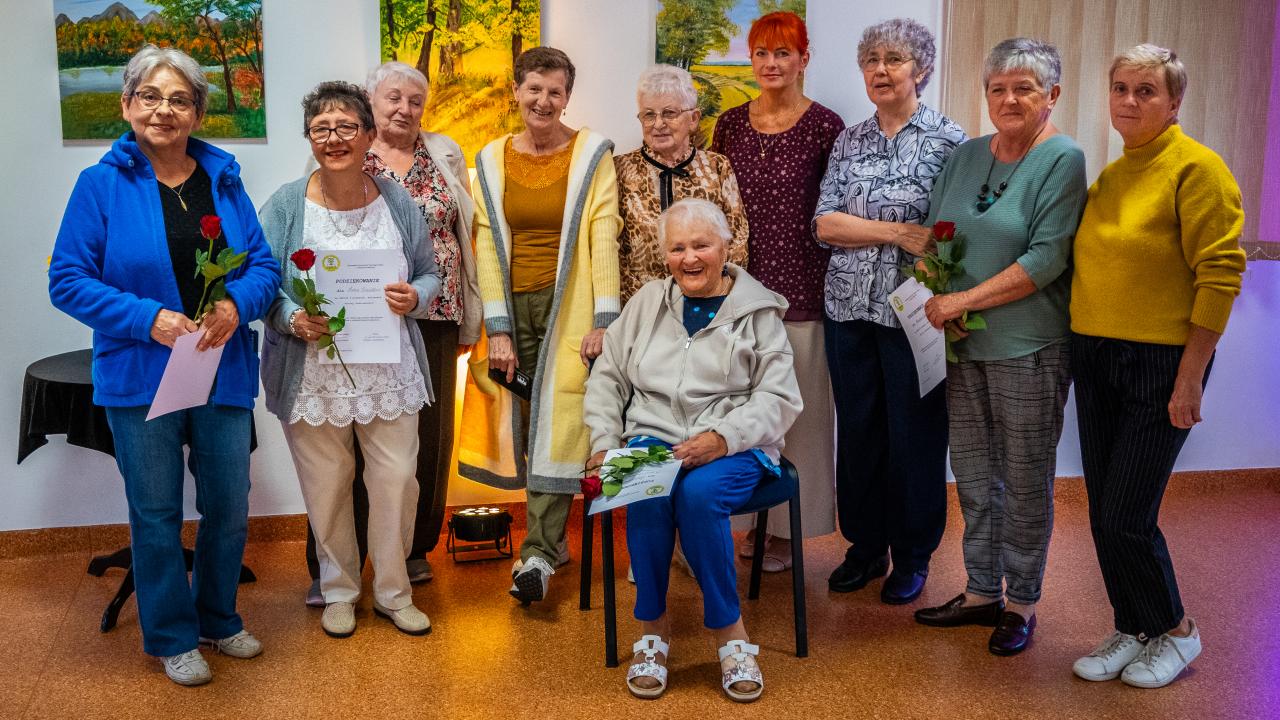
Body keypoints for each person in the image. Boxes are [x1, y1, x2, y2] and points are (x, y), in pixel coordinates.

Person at [48, 44, 279, 686]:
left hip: (220, 369)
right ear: (127, 105)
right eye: (149, 96)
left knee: (229, 505)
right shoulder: (100, 184)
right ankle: (172, 637)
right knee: (155, 512)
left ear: (197, 111)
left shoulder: (224, 178)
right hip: (140, 376)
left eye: (179, 98)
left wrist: (236, 303)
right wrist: (146, 318)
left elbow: (263, 265)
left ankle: (218, 618)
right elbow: (67, 280)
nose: (163, 110)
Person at [1068, 44, 1246, 688]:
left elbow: (1221, 273)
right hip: (1096, 358)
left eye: (1146, 91)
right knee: (1102, 511)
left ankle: (1175, 629)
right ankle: (1133, 624)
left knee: (1126, 514)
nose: (1130, 101)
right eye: (1120, 88)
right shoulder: (1114, 176)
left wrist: (1192, 374)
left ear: (1174, 103)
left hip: (1162, 363)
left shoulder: (1198, 169)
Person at [584, 198, 803, 702]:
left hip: (735, 442)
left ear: (726, 247)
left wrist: (723, 438)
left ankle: (732, 636)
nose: (689, 258)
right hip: (653, 434)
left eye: (701, 245)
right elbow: (609, 377)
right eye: (677, 247)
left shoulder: (759, 311)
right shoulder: (647, 302)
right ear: (665, 255)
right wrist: (603, 442)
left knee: (700, 497)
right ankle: (652, 633)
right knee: (644, 492)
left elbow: (779, 396)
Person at [913, 38, 1087, 656]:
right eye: (998, 88)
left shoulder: (1062, 158)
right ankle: (983, 590)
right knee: (975, 474)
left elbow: (1044, 259)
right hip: (964, 346)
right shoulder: (964, 157)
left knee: (1023, 475)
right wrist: (934, 291)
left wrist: (960, 302)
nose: (1009, 99)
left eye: (1025, 88)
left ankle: (1022, 603)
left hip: (1029, 345)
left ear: (1052, 96)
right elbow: (936, 235)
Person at [259, 81, 440, 639]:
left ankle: (393, 591)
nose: (334, 138)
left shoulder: (398, 201)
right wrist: (291, 316)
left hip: (389, 371)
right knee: (327, 485)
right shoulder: (287, 204)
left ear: (368, 135)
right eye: (321, 128)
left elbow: (431, 271)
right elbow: (262, 282)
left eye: (345, 127)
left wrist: (417, 296)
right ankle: (338, 590)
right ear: (309, 137)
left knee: (397, 481)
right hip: (313, 373)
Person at [297, 61, 482, 604]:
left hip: (432, 312)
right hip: (352, 321)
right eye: (393, 98)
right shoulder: (343, 153)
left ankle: (410, 553)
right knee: (341, 439)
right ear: (371, 108)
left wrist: (453, 305)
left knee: (421, 444)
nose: (405, 109)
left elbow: (462, 232)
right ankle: (336, 564)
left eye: (416, 101)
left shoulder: (444, 152)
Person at [459, 47, 622, 604]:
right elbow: (484, 243)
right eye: (534, 89)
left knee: (562, 424)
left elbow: (604, 232)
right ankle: (550, 540)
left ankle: (538, 555)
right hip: (513, 309)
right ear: (515, 91)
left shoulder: (592, 153)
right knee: (528, 425)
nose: (543, 101)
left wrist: (605, 319)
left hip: (568, 307)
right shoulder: (490, 158)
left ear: (567, 97)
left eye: (555, 92)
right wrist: (497, 328)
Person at [814, 18, 967, 603]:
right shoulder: (849, 140)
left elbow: (949, 233)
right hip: (848, 305)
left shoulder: (950, 141)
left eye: (895, 59)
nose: (880, 69)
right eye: (871, 59)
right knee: (858, 431)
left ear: (921, 69)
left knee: (916, 434)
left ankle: (913, 553)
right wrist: (899, 232)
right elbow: (826, 224)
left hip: (916, 315)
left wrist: (881, 234)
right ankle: (865, 547)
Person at [710, 10, 844, 571]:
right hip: (738, 291)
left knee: (803, 417)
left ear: (803, 59)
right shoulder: (730, 125)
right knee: (740, 408)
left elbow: (836, 208)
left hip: (805, 289)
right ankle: (744, 520)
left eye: (782, 53)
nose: (770, 64)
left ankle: (792, 528)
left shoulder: (825, 126)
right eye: (761, 53)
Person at [615, 64, 748, 303]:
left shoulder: (717, 167)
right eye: (649, 115)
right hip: (640, 307)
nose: (658, 124)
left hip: (709, 304)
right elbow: (610, 247)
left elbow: (737, 240)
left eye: (669, 113)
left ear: (693, 119)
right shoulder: (620, 169)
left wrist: (712, 293)